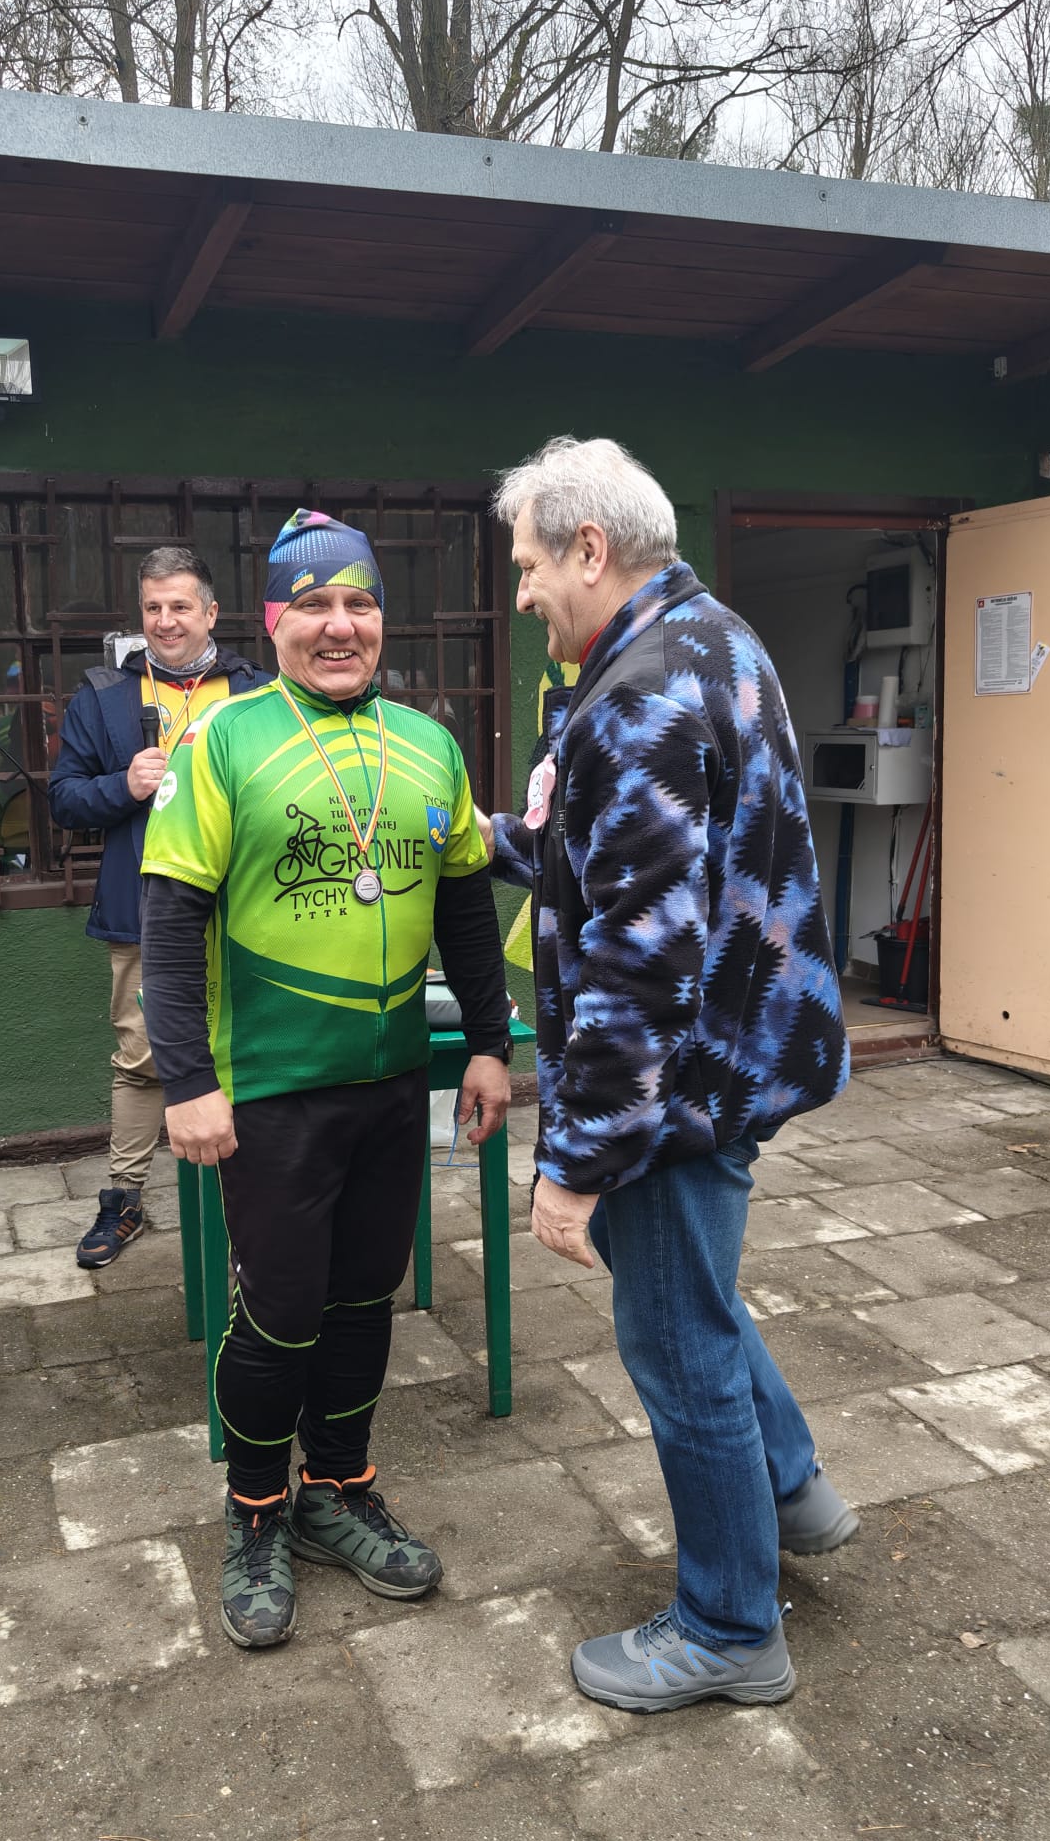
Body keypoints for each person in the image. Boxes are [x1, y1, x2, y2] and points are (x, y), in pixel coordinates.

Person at [479, 436, 854, 1716]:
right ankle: (791, 1486)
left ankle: (730, 1626)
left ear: (589, 548)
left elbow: (639, 963)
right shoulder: (710, 637)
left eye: (529, 563)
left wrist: (574, 1166)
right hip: (745, 1053)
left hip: (680, 1090)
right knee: (697, 1291)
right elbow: (641, 851)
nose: (523, 591)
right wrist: (487, 839)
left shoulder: (637, 690)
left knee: (674, 1336)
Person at [139, 509, 512, 1651]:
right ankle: (256, 1509)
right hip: (270, 1089)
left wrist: (488, 1043)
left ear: (381, 618)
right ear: (273, 620)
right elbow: (170, 923)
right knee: (281, 1311)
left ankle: (338, 1487)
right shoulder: (223, 740)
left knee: (366, 1299)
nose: (339, 626)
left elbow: (465, 905)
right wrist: (186, 1081)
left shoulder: (430, 743)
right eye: (314, 605)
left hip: (391, 1082)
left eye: (358, 603)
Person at [49, 549, 267, 1268]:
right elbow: (62, 799)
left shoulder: (256, 690)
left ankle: (252, 1198)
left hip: (247, 909)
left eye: (180, 606)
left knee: (250, 1050)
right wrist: (124, 785)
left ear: (211, 612)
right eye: (153, 608)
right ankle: (124, 1199)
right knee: (142, 1056)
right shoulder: (104, 696)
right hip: (142, 909)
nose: (166, 621)